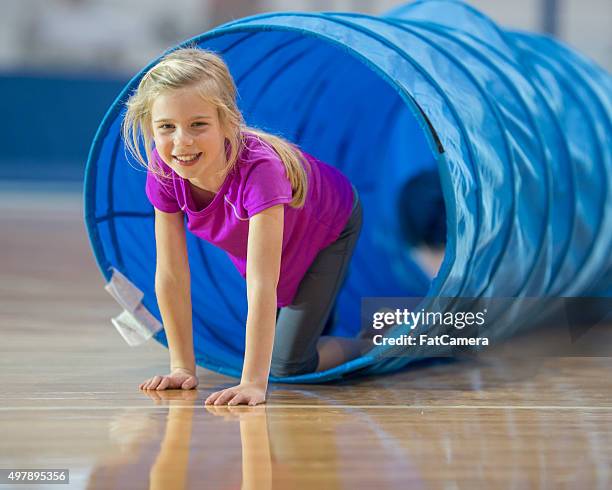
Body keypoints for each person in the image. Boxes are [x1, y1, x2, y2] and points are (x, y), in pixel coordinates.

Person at [122, 46, 369, 405]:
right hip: (275, 239)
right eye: (166, 127)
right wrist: (182, 367)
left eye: (198, 125)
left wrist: (253, 382)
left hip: (328, 225)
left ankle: (376, 340)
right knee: (297, 324)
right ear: (150, 128)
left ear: (228, 121)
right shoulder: (163, 170)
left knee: (288, 364)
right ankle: (323, 324)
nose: (182, 141)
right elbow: (172, 273)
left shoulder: (260, 173)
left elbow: (261, 282)